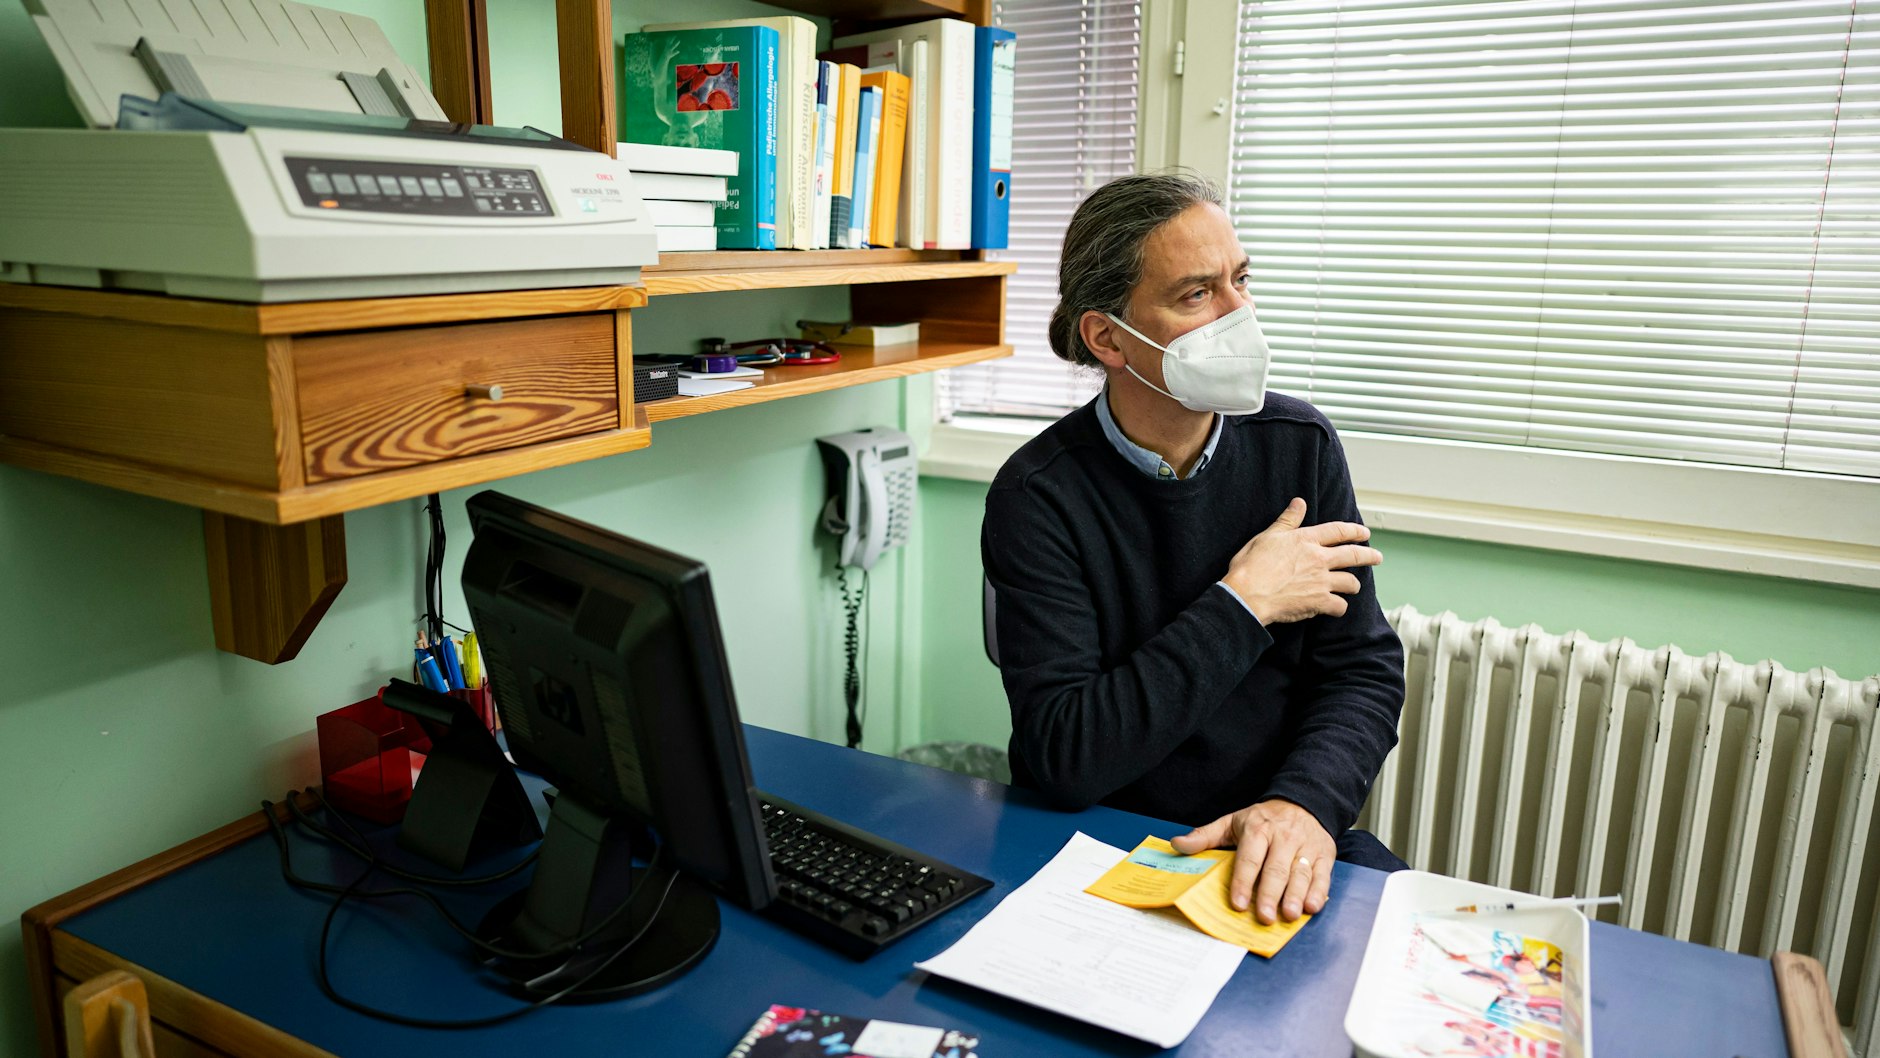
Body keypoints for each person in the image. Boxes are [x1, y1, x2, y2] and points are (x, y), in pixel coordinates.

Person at [981, 172, 1407, 927]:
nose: (1241, 314)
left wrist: (1301, 805)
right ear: (1107, 336)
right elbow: (1066, 757)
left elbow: (1362, 670)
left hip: (1278, 833)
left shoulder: (1298, 447)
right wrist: (1245, 603)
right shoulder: (1038, 495)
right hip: (1112, 847)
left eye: (1241, 280)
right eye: (1197, 294)